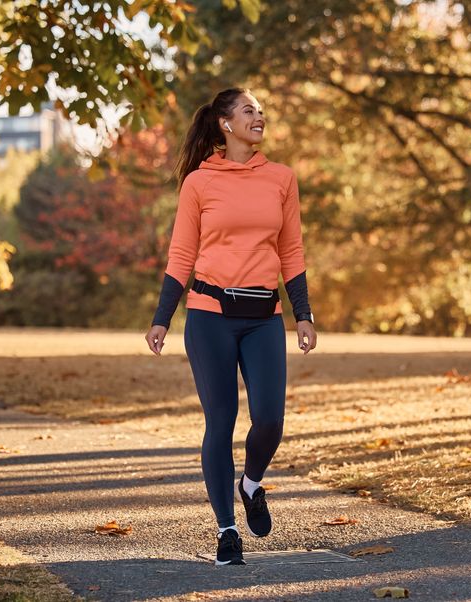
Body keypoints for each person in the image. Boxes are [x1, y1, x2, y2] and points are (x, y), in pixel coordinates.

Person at [144, 87, 317, 566]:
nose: (258, 116)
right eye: (248, 110)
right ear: (225, 123)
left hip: (264, 319)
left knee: (270, 420)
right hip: (209, 317)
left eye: (261, 110)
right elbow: (181, 255)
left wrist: (303, 313)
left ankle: (252, 482)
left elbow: (291, 253)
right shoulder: (199, 183)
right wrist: (162, 318)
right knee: (220, 422)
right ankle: (226, 531)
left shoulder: (282, 179)